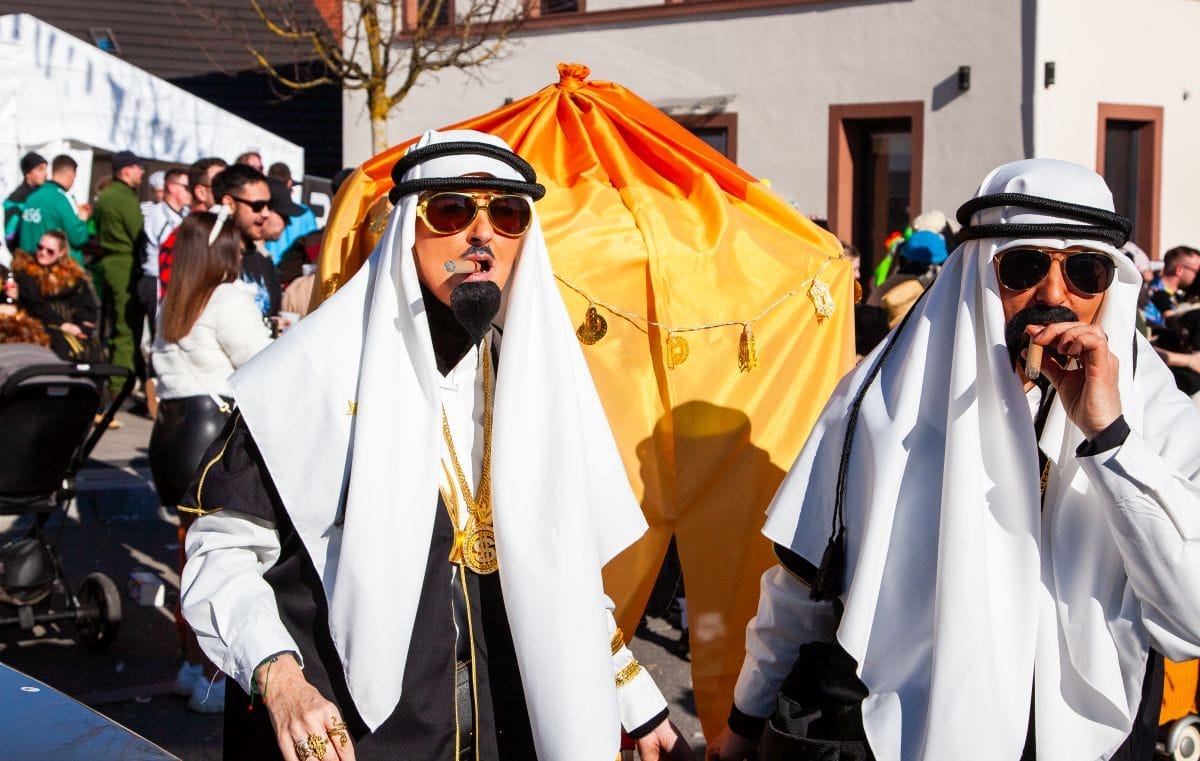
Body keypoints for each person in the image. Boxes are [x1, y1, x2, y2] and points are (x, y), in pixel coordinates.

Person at [180, 130, 693, 760]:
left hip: (502, 728)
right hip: (357, 736)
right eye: (451, 211)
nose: (482, 236)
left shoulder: (528, 377)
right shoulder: (306, 375)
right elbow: (222, 556)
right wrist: (281, 680)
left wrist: (636, 700)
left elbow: (562, 567)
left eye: (507, 215)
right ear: (406, 229)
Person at [708, 159, 1200, 761]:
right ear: (981, 272)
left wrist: (1109, 437)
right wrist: (744, 722)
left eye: (1084, 271)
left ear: (1109, 285)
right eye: (1024, 267)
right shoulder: (881, 405)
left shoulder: (1155, 412)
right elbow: (799, 592)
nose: (1054, 294)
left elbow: (1191, 614)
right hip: (903, 735)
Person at [149, 211, 273, 714]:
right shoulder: (226, 297)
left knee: (188, 556)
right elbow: (263, 362)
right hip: (212, 435)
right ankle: (212, 676)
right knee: (223, 560)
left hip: (171, 435)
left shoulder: (172, 300)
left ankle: (190, 665)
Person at [92, 150, 147, 383]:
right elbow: (139, 233)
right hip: (125, 266)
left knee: (115, 325)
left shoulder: (105, 195)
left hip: (109, 264)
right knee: (126, 328)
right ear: (126, 171)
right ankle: (120, 382)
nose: (142, 171)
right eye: (138, 167)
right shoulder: (124, 198)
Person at [10, 229, 100, 361]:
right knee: (58, 349)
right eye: (40, 247)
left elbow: (84, 304)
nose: (42, 253)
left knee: (91, 352)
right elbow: (35, 305)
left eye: (50, 251)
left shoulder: (73, 275)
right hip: (39, 324)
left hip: (70, 326)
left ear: (61, 252)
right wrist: (62, 324)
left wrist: (83, 324)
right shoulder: (25, 272)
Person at [210, 164, 281, 319]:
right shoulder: (206, 256)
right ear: (229, 204)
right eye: (257, 205)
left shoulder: (264, 261)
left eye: (269, 205)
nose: (266, 213)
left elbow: (273, 313)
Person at [18, 154, 92, 267]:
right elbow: (78, 238)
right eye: (74, 177)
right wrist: (82, 219)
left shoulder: (32, 197)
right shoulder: (63, 198)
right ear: (70, 175)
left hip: (29, 265)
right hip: (57, 269)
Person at [264, 163, 318, 266]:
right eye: (284, 217)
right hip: (293, 270)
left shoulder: (261, 211)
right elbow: (313, 250)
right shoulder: (306, 213)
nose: (287, 222)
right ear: (289, 183)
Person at [4, 151, 47, 251]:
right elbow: (9, 235)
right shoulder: (17, 198)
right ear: (28, 173)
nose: (45, 173)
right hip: (22, 253)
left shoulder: (43, 194)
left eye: (45, 169)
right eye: (40, 169)